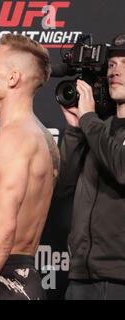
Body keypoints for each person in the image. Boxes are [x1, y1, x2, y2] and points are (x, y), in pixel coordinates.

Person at [0, 34, 59, 300]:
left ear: (13, 78)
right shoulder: (44, 138)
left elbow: (4, 226)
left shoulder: (13, 138)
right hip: (22, 278)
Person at [59, 33, 125, 300]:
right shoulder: (100, 127)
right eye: (111, 64)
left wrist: (88, 117)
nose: (115, 71)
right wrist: (75, 130)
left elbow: (122, 168)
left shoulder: (95, 125)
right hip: (80, 277)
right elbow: (63, 186)